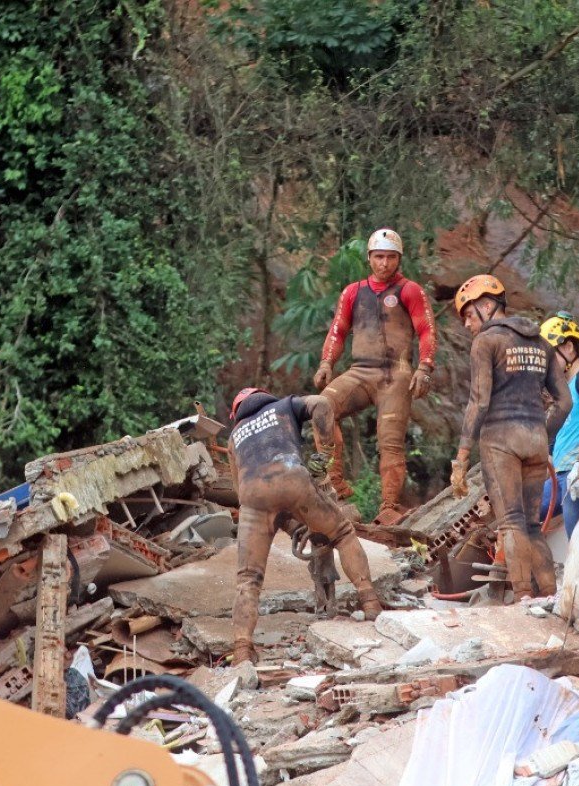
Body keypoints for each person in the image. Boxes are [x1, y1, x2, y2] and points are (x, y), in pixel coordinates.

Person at [228, 387, 382, 681]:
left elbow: (242, 494)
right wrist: (323, 459)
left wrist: (287, 524)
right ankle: (371, 604)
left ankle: (242, 651)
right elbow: (323, 404)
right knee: (343, 533)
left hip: (252, 499)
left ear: (237, 414)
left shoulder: (235, 437)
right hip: (293, 478)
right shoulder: (285, 406)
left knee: (248, 579)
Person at [447, 275, 561, 601]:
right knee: (532, 525)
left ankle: (523, 597)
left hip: (500, 440)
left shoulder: (487, 342)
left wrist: (462, 454)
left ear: (486, 305)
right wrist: (541, 432)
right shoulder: (542, 343)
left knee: (510, 522)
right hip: (536, 440)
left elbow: (479, 400)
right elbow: (563, 401)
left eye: (469, 314)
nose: (467, 323)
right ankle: (549, 597)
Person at [312, 228, 437, 526]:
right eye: (379, 257)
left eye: (391, 257)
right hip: (360, 371)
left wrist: (425, 367)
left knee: (390, 441)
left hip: (396, 373)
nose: (384, 263)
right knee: (322, 406)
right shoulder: (353, 291)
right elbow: (337, 330)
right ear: (369, 257)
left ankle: (389, 507)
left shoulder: (410, 290)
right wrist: (326, 362)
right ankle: (335, 487)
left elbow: (426, 330)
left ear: (399, 258)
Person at [540, 313, 579, 538]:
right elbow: (557, 432)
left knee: (575, 534)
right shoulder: (562, 390)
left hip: (574, 474)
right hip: (558, 475)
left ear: (568, 347)